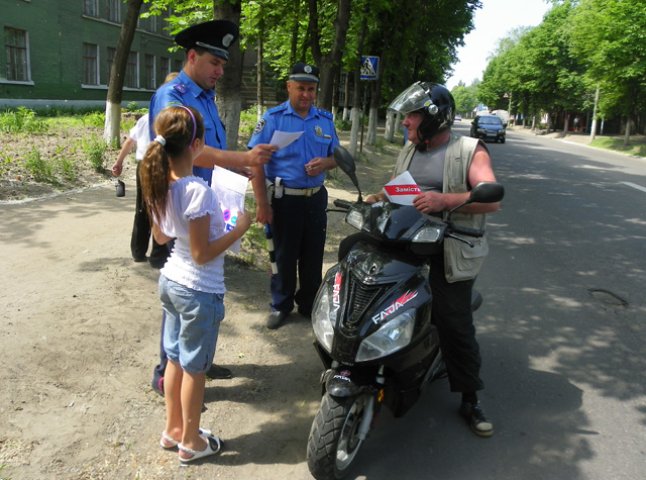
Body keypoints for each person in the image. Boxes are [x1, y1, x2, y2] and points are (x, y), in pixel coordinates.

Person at [361, 82, 501, 437]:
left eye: (412, 115)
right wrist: (378, 197)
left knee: (452, 318)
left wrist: (445, 201)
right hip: (407, 238)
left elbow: (491, 198)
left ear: (433, 118)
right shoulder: (410, 150)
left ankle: (470, 397)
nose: (406, 122)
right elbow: (399, 188)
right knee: (357, 266)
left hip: (451, 246)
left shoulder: (469, 149)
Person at [148, 20, 276, 390]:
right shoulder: (173, 96)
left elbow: (208, 155)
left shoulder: (204, 97)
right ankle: (168, 375)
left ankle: (197, 363)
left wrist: (240, 173)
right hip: (182, 208)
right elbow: (194, 153)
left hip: (205, 208)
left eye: (223, 64)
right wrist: (243, 159)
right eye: (214, 63)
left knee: (203, 293)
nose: (220, 71)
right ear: (192, 57)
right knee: (185, 293)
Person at [140, 105, 251, 462]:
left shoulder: (158, 182)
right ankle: (192, 442)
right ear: (197, 144)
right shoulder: (198, 191)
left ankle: (173, 430)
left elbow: (159, 237)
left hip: (171, 281)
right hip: (198, 289)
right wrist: (240, 227)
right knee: (195, 370)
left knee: (174, 360)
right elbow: (203, 254)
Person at [248, 62, 340, 329]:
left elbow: (337, 157)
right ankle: (281, 304)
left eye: (311, 89)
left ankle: (309, 303)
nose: (307, 95)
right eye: (301, 88)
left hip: (315, 198)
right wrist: (262, 204)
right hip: (284, 198)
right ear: (289, 87)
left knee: (313, 255)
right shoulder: (274, 118)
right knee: (284, 256)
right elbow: (256, 162)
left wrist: (325, 163)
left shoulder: (324, 120)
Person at [112, 72, 178, 269]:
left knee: (143, 208)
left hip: (143, 165)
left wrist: (119, 162)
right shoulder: (169, 119)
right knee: (161, 208)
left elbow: (130, 141)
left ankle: (138, 251)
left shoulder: (147, 117)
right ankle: (159, 255)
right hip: (158, 164)